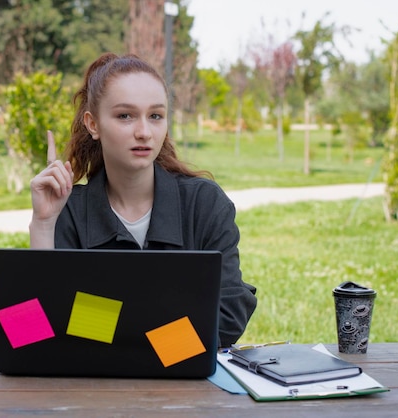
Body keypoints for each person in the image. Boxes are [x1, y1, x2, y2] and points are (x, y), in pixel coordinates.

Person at [29, 52, 256, 347]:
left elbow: (228, 316)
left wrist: (111, 330)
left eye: (155, 116)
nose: (144, 132)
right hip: (92, 388)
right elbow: (33, 334)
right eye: (125, 116)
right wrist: (43, 225)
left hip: (185, 385)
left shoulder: (205, 204)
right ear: (93, 124)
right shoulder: (68, 210)